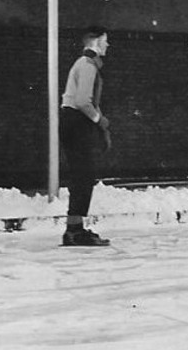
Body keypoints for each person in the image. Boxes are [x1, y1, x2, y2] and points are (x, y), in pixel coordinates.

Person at [59, 25, 112, 247]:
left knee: (81, 174)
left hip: (73, 122)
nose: (108, 45)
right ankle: (74, 231)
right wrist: (100, 120)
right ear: (96, 41)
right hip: (77, 122)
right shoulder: (88, 65)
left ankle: (75, 228)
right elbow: (82, 101)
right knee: (84, 174)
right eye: (105, 40)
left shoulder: (84, 64)